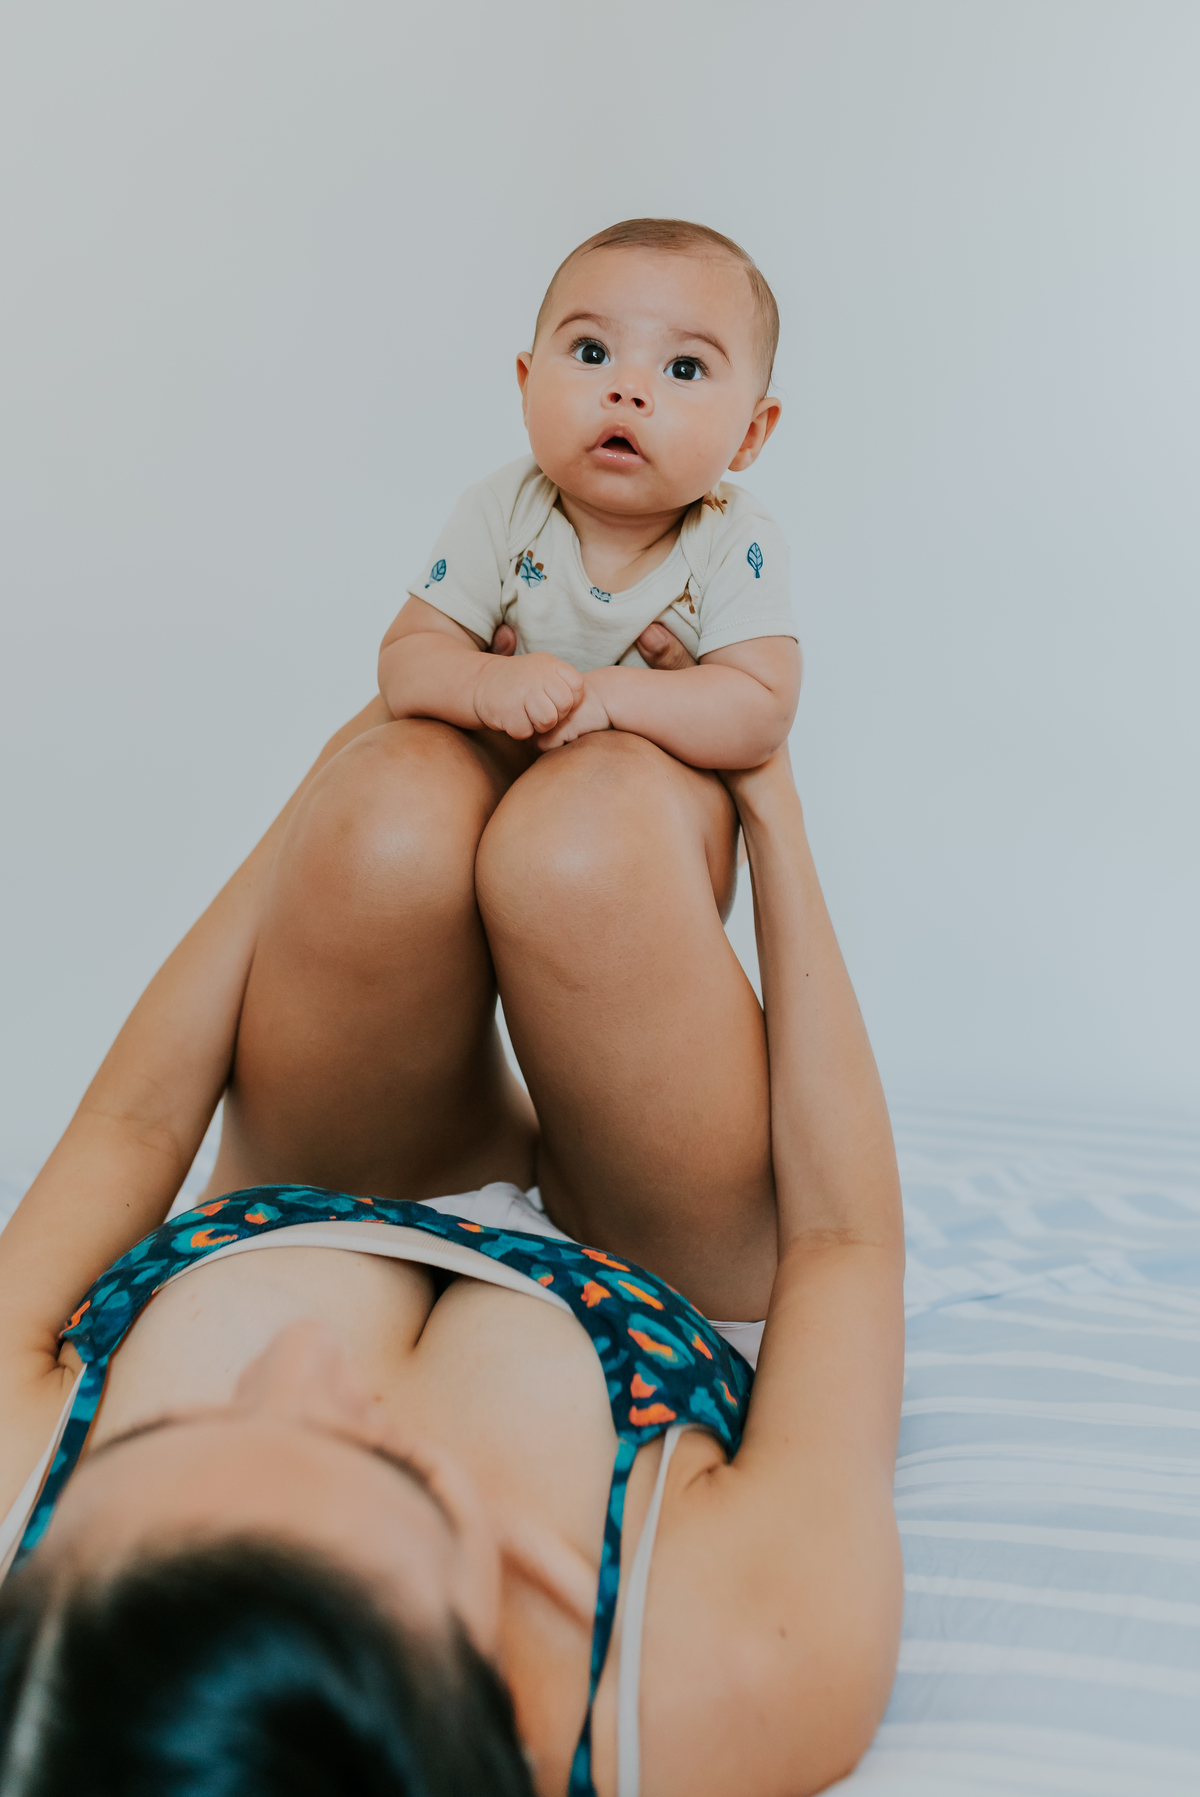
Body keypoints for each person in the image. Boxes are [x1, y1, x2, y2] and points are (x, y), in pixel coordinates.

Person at [0, 646, 903, 1795]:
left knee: (390, 808)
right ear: (489, 1647)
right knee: (590, 843)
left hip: (324, 1171)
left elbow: (130, 1125)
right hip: (652, 1257)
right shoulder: (741, 1670)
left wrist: (384, 712)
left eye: (168, 1435)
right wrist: (771, 796)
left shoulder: (35, 1570)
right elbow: (845, 1248)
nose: (301, 1363)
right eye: (381, 1457)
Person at [378, 218, 801, 767]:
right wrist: (485, 681)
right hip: (501, 772)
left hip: (648, 797)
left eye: (684, 367)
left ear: (749, 434)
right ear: (527, 389)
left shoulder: (733, 538)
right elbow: (405, 658)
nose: (627, 390)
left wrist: (607, 696)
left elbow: (761, 710)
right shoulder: (505, 507)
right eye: (593, 352)